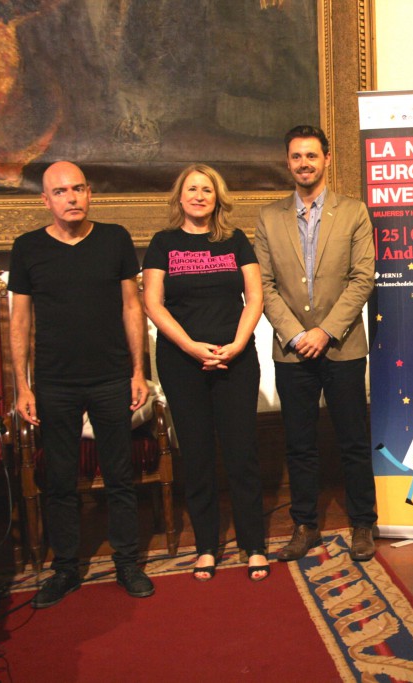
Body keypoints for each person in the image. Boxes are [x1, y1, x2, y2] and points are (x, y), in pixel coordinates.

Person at [9, 161, 155, 608]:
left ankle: (127, 562)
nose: (71, 198)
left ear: (89, 193)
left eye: (78, 189)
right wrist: (23, 387)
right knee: (59, 480)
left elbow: (133, 308)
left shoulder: (115, 238)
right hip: (55, 382)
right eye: (60, 191)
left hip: (113, 376)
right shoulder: (27, 247)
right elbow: (20, 320)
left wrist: (138, 372)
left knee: (119, 476)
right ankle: (65, 567)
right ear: (46, 200)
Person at [254, 125, 378, 562]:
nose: (303, 163)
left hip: (342, 346)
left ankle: (364, 522)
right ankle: (306, 526)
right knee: (299, 443)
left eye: (311, 155)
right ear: (287, 162)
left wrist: (325, 331)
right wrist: (296, 333)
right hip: (291, 351)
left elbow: (363, 277)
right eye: (295, 157)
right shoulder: (269, 218)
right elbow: (264, 286)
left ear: (327, 159)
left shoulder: (354, 212)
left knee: (352, 440)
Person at [142, 164, 268, 582]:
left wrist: (235, 344)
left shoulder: (235, 241)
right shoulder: (163, 243)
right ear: (180, 196)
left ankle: (254, 544)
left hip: (236, 359)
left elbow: (254, 298)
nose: (199, 196)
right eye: (192, 189)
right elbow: (153, 303)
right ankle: (207, 547)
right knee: (196, 454)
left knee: (241, 453)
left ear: (218, 198)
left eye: (207, 190)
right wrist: (191, 346)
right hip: (182, 363)